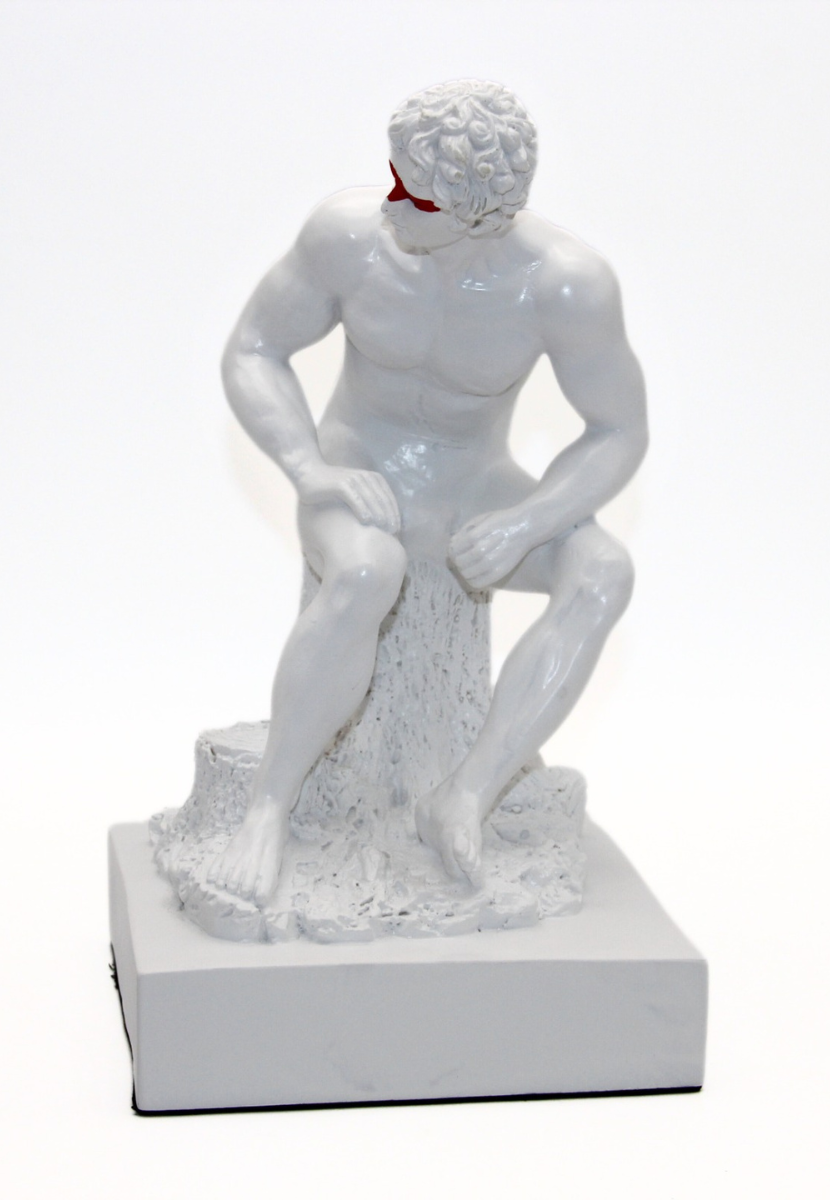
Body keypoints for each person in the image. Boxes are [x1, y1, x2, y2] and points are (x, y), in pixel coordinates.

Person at [208, 79, 647, 905]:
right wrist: (310, 469)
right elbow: (254, 348)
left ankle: (466, 795)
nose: (390, 204)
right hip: (357, 470)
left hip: (472, 484)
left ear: (478, 215)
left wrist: (528, 522)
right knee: (366, 571)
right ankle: (270, 804)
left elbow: (619, 430)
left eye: (416, 197)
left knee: (603, 572)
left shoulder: (563, 285)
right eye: (392, 177)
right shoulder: (349, 238)